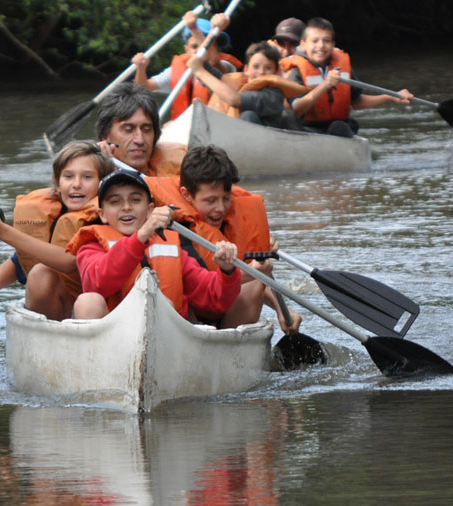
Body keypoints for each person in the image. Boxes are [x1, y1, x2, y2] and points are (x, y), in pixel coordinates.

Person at [144, 145, 301, 334]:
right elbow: (200, 286)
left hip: (227, 312)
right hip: (191, 313)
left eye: (226, 198)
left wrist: (281, 309)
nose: (220, 208)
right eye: (210, 201)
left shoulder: (233, 219)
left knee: (253, 284)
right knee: (252, 279)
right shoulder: (174, 228)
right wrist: (252, 272)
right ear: (186, 195)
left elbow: (254, 282)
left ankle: (234, 347)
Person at [0, 140, 113, 323]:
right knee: (39, 272)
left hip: (96, 309)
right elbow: (21, 261)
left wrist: (3, 232)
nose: (76, 184)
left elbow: (69, 262)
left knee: (42, 271)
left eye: (87, 177)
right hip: (62, 310)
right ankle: (51, 339)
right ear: (57, 184)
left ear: (102, 183)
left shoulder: (106, 217)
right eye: (68, 176)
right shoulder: (53, 214)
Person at [67, 169, 241, 321]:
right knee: (88, 302)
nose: (126, 207)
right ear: (102, 214)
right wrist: (140, 236)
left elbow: (212, 298)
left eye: (135, 200)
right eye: (115, 202)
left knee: (166, 304)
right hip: (113, 340)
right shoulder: (90, 246)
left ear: (150, 209)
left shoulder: (172, 247)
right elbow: (98, 283)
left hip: (164, 340)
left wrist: (227, 271)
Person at [281, 17, 413, 137]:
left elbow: (356, 101)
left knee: (339, 127)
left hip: (337, 129)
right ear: (303, 45)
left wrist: (390, 97)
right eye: (315, 41)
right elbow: (297, 110)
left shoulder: (343, 66)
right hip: (306, 130)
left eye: (326, 41)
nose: (320, 46)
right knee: (286, 118)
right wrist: (325, 85)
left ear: (333, 44)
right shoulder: (296, 71)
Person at [133, 11, 242, 119]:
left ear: (216, 48)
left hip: (217, 125)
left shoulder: (225, 65)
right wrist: (141, 69)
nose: (199, 51)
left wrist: (194, 29)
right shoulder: (176, 70)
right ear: (186, 49)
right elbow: (143, 88)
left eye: (209, 44)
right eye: (195, 47)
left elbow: (210, 61)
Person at [188, 40, 306, 127]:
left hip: (261, 149)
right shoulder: (238, 84)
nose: (261, 72)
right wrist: (199, 30)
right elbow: (202, 63)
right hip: (230, 144)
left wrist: (198, 71)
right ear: (246, 70)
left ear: (276, 72)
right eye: (255, 67)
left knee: (248, 115)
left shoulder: (273, 95)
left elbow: (234, 99)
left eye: (268, 68)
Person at [94, 82, 186, 176]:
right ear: (104, 135)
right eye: (128, 130)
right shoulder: (86, 175)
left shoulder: (183, 163)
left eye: (146, 130)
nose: (140, 140)